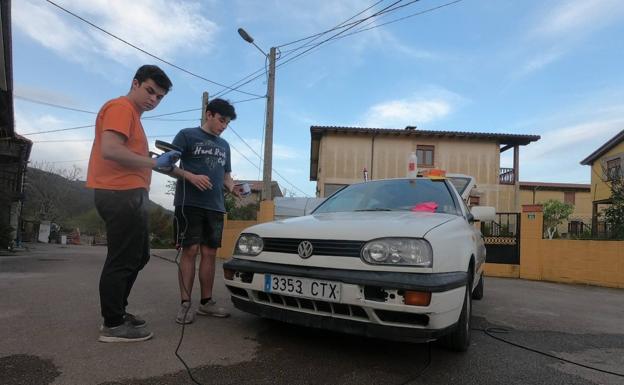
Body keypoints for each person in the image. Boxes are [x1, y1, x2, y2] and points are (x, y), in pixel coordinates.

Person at [86, 65, 179, 342]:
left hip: (131, 193)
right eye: (150, 91)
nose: (154, 99)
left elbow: (127, 152)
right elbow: (111, 149)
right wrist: (153, 162)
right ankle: (113, 324)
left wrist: (157, 162)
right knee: (123, 258)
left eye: (160, 97)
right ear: (135, 83)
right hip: (119, 193)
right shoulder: (121, 107)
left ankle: (117, 313)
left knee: (139, 256)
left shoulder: (134, 117)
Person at [170, 98, 241, 324]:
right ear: (208, 114)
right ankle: (184, 304)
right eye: (221, 120)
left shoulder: (224, 146)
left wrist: (232, 187)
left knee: (210, 254)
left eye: (227, 123)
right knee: (190, 251)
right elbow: (165, 163)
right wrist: (190, 176)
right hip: (188, 204)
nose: (223, 126)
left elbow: (226, 176)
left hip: (215, 206)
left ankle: (206, 303)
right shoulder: (186, 135)